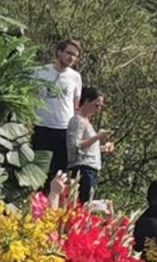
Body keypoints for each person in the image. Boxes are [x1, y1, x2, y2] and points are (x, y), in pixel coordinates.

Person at [32, 39, 83, 182]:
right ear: (59, 51)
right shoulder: (40, 72)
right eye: (68, 53)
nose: (71, 57)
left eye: (75, 55)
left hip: (64, 130)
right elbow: (30, 97)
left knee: (60, 173)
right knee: (38, 171)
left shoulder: (75, 77)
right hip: (41, 127)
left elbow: (76, 105)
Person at [66, 87, 115, 203]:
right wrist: (97, 137)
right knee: (84, 203)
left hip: (91, 169)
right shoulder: (77, 120)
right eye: (96, 105)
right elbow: (75, 146)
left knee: (88, 201)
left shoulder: (86, 122)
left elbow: (86, 147)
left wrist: (102, 148)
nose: (97, 110)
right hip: (83, 169)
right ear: (87, 101)